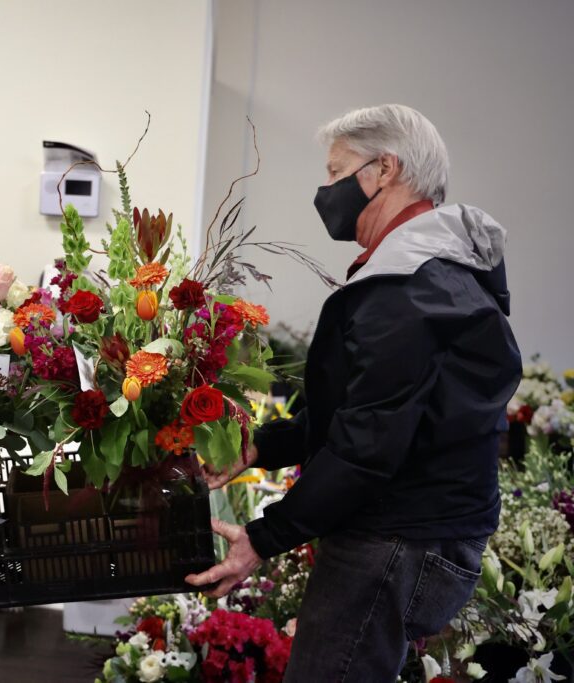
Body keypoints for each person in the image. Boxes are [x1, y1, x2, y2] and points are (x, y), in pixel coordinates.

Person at [187, 104, 521, 681]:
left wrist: (261, 539)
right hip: (418, 530)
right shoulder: (430, 273)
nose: (327, 190)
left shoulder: (408, 289)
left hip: (395, 537)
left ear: (385, 169)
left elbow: (367, 445)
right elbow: (362, 411)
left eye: (337, 172)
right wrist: (260, 449)